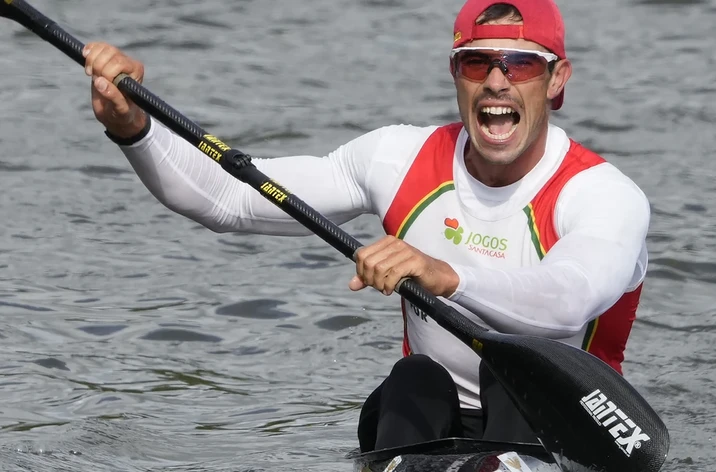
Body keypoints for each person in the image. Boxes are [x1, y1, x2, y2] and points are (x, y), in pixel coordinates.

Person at [82, 0, 650, 452]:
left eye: (521, 64)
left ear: (556, 80)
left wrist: (447, 276)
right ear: (456, 75)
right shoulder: (396, 158)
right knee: (412, 381)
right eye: (477, 62)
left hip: (569, 421)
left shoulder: (604, 195)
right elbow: (228, 199)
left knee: (512, 387)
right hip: (433, 416)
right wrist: (134, 127)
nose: (497, 81)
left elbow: (569, 299)